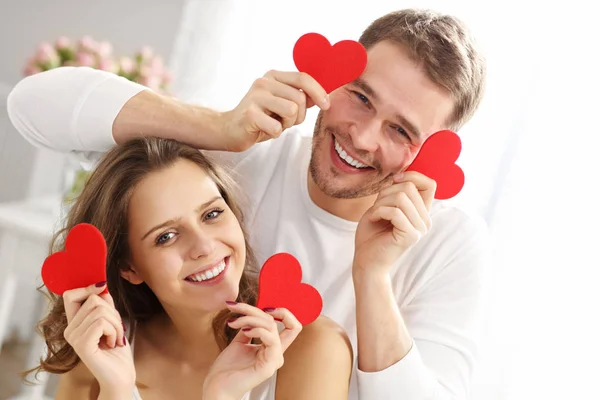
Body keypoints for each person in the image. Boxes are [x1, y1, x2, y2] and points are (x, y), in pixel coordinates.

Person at [9, 8, 491, 400]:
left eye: (401, 130)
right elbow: (30, 106)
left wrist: (372, 276)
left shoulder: (449, 245)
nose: (362, 137)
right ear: (333, 81)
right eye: (361, 98)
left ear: (433, 152)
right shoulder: (230, 163)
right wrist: (218, 127)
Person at [25, 137, 353, 399]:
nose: (205, 247)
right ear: (129, 267)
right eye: (166, 237)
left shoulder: (313, 349)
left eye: (211, 214)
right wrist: (118, 392)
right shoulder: (101, 352)